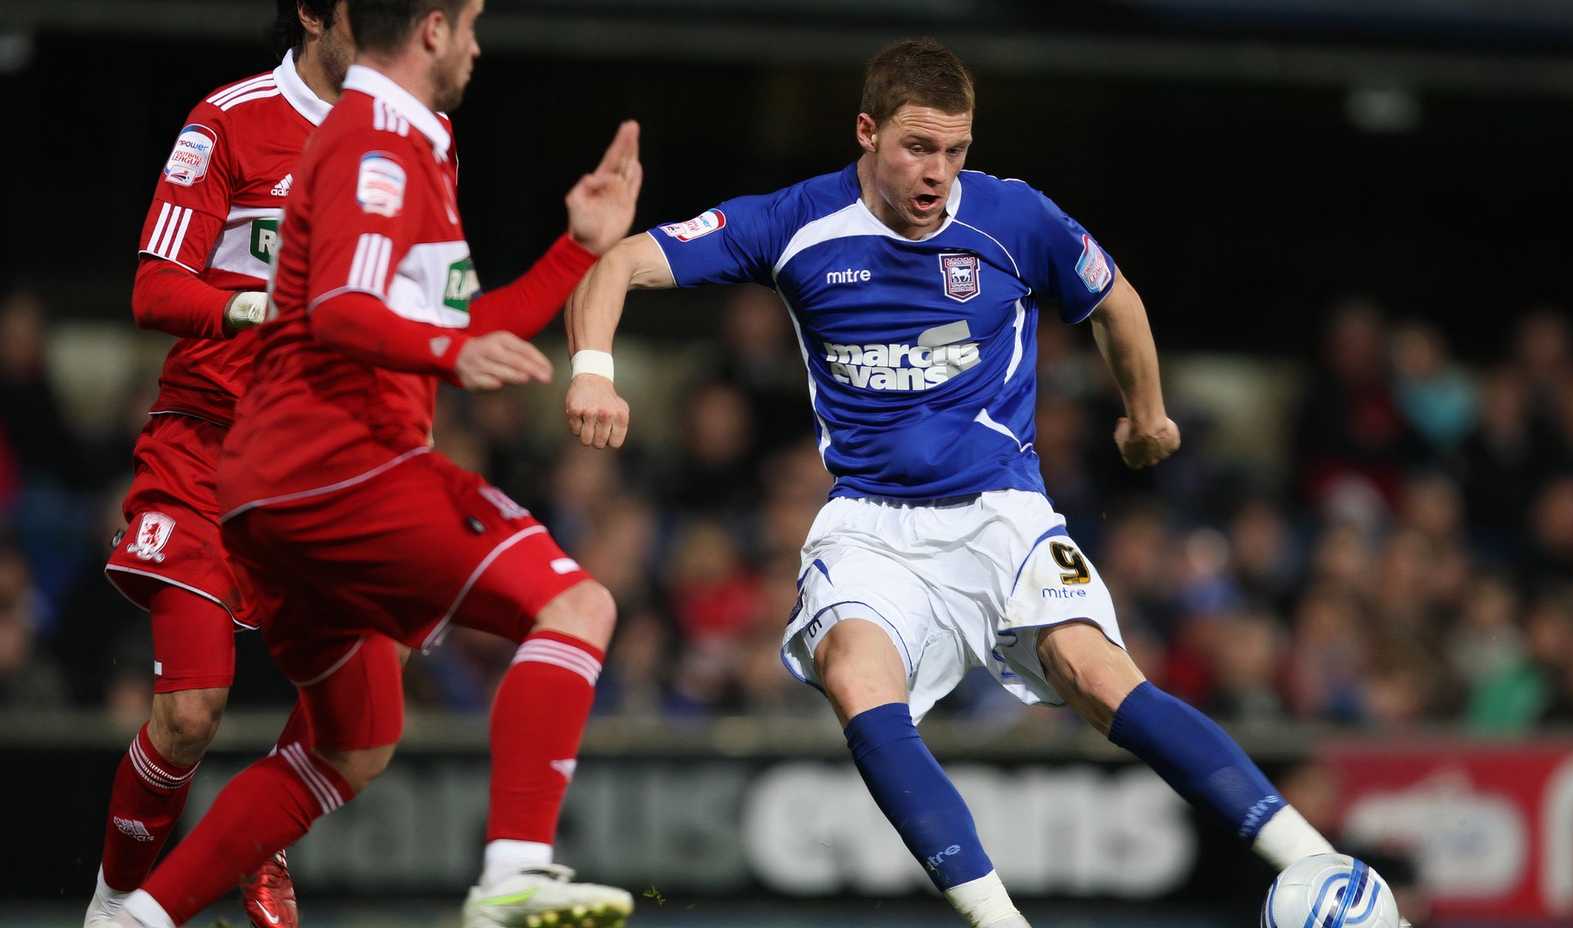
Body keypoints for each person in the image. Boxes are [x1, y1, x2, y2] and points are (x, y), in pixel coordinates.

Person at [567, 37, 1368, 928]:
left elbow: (1116, 302)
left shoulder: (1012, 217)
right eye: (918, 147)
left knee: (1096, 675)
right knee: (855, 674)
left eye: (955, 150)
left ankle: (1327, 872)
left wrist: (1146, 416)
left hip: (1001, 510)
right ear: (866, 132)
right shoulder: (795, 222)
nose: (937, 173)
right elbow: (618, 264)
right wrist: (593, 371)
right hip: (869, 523)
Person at [112, 0, 641, 925]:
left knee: (355, 743)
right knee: (577, 604)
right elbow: (345, 314)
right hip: (328, 466)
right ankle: (514, 874)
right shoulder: (367, 142)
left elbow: (450, 318)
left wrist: (576, 252)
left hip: (286, 476)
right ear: (431, 31)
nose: (478, 45)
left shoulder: (415, 139)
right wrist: (444, 355)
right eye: (469, 24)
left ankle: (133, 920)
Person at [88, 4, 352, 925]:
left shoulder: (422, 133)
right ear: (313, 13)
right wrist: (251, 309)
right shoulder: (230, 120)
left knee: (368, 679)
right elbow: (154, 287)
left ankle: (259, 833)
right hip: (208, 446)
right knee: (190, 713)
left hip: (325, 464)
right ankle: (113, 906)